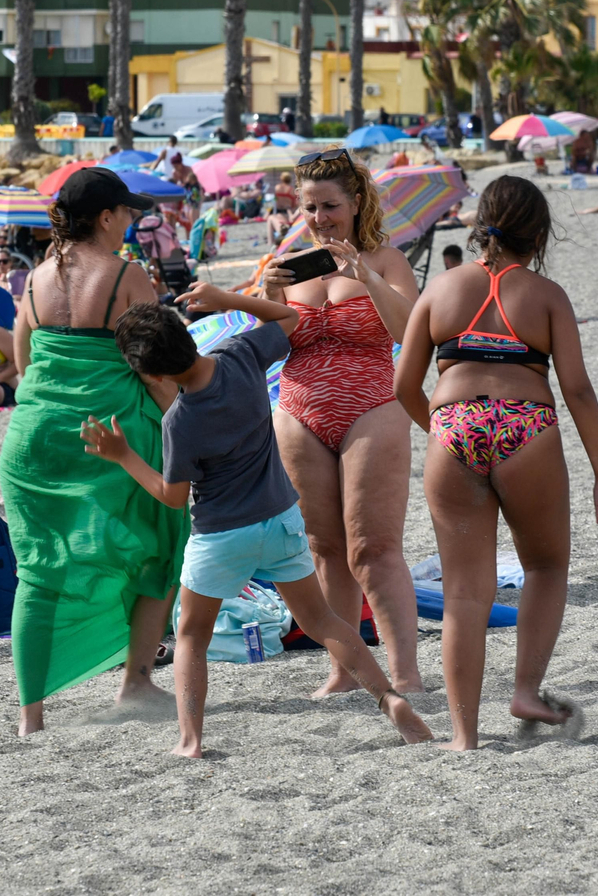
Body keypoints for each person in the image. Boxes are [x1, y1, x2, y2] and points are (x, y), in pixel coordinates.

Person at [81, 293, 433, 758]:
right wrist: (226, 298)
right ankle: (388, 698)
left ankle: (190, 740)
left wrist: (123, 455)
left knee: (191, 637)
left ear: (154, 375)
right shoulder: (240, 355)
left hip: (221, 535)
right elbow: (289, 317)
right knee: (323, 620)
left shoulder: (179, 422)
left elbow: (173, 497)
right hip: (280, 519)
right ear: (188, 334)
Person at [394, 175, 598, 750]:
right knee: (545, 567)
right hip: (526, 429)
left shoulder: (441, 290)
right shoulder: (546, 296)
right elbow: (578, 389)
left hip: (454, 429)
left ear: (478, 228)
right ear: (539, 234)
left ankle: (464, 736)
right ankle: (524, 690)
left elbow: (403, 385)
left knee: (465, 594)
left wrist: (444, 432)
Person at [0, 167, 188, 735]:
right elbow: (154, 369)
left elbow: (23, 362)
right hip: (111, 438)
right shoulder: (127, 275)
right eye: (127, 213)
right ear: (106, 217)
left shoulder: (33, 280)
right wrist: (182, 408)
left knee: (40, 569)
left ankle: (32, 714)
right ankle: (135, 680)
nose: (130, 222)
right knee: (158, 545)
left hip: (34, 442)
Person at [258, 147, 425, 696]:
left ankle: (404, 673)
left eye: (330, 206)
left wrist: (364, 275)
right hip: (299, 409)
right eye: (309, 208)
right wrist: (269, 297)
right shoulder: (289, 265)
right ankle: (345, 671)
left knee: (374, 549)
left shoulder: (386, 260)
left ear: (355, 203)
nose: (320, 218)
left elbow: (409, 332)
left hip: (373, 406)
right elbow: (274, 345)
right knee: (324, 546)